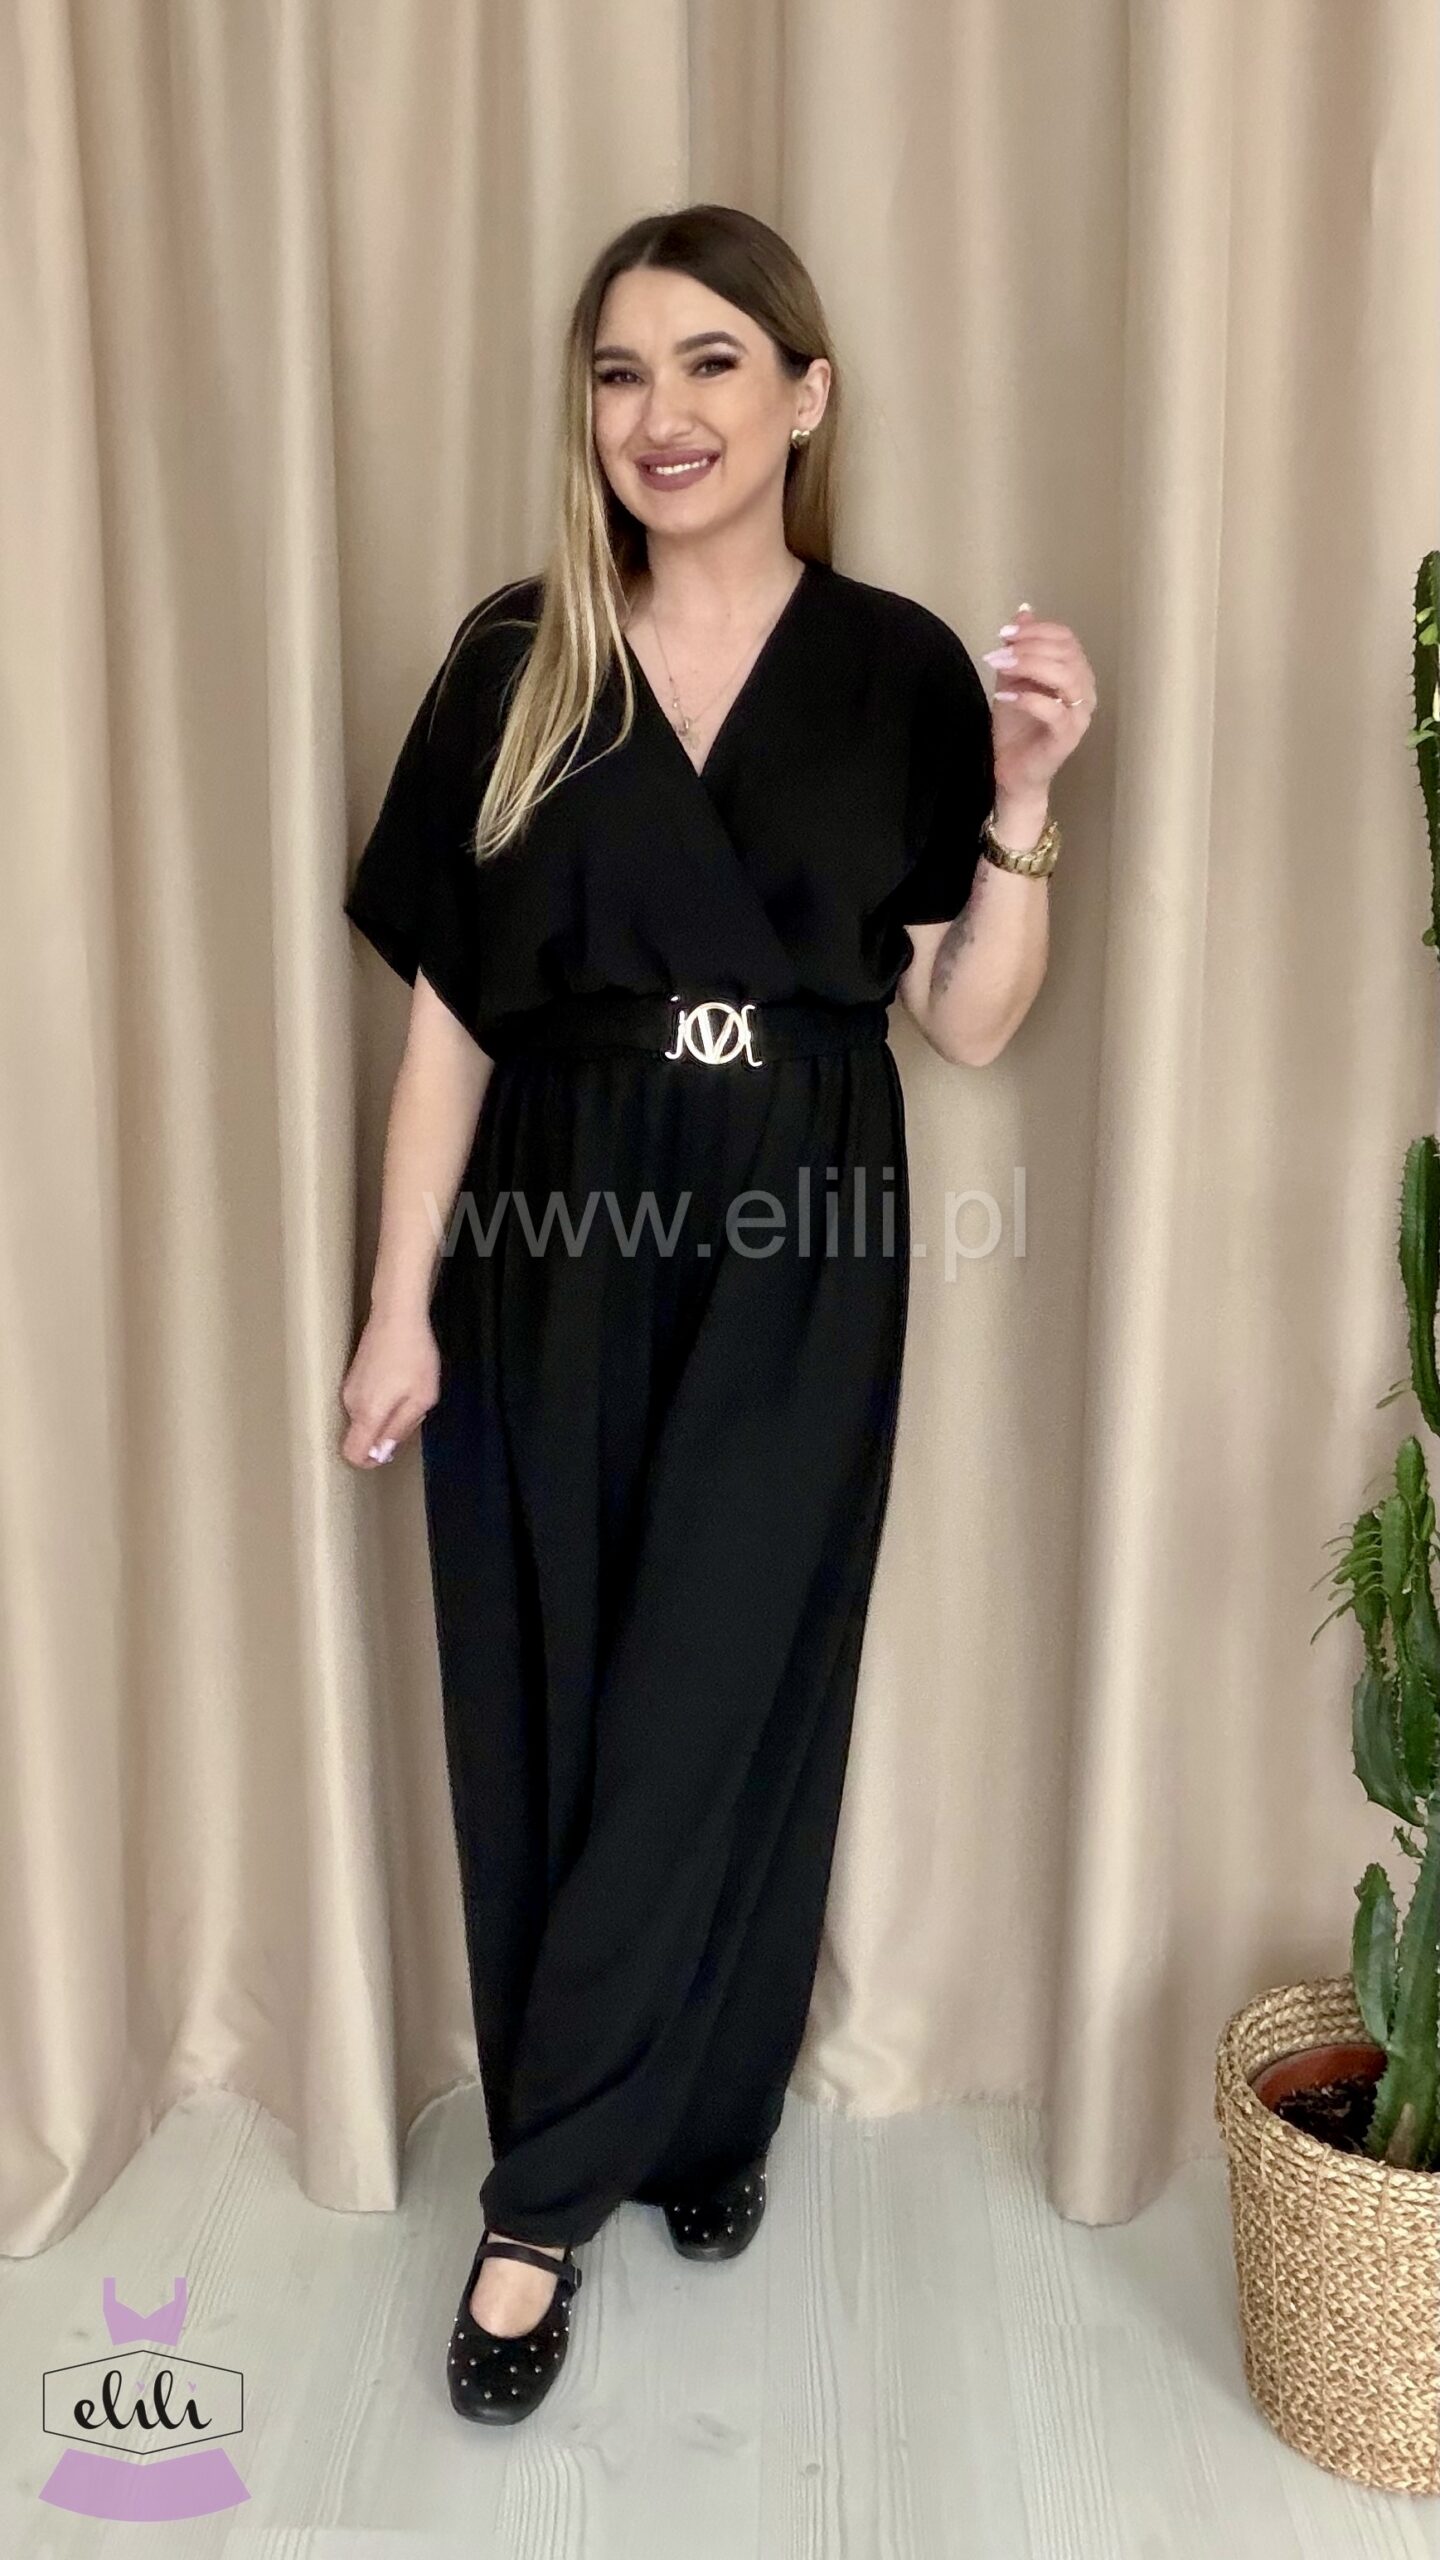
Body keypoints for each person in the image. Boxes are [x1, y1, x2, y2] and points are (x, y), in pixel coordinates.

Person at [339, 201, 1095, 2426]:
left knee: (729, 1681)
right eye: (617, 372)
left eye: (707, 364)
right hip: (553, 1211)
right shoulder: (516, 662)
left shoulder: (899, 673)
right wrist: (397, 1306)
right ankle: (642, 2124)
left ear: (804, 396)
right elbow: (450, 1023)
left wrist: (1026, 800)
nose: (657, 415)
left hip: (803, 1213)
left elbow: (968, 1017)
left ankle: (548, 2204)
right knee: (553, 1677)